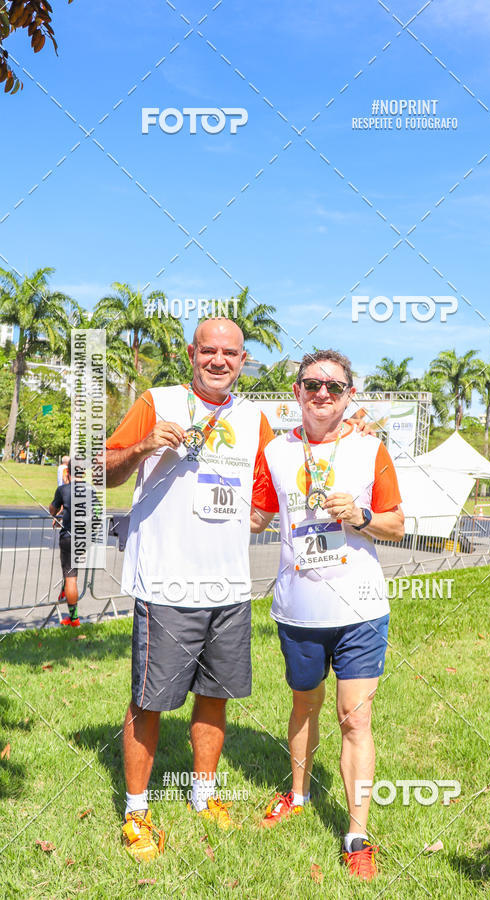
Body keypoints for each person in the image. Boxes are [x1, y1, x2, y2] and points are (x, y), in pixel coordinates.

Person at [104, 317, 278, 860]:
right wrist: (142, 448)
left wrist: (261, 516)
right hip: (165, 584)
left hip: (228, 587)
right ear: (191, 353)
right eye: (209, 351)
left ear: (243, 360)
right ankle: (136, 813)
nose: (219, 361)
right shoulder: (157, 402)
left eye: (230, 353)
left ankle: (204, 797)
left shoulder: (255, 420)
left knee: (215, 696)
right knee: (150, 701)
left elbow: (269, 492)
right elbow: (102, 470)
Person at [250, 349, 404, 881]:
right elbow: (256, 516)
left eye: (334, 387)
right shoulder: (273, 452)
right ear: (296, 391)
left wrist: (361, 516)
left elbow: (397, 525)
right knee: (304, 706)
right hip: (298, 608)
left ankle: (357, 831)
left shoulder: (370, 448)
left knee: (354, 717)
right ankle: (297, 794)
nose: (322, 394)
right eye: (312, 385)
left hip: (360, 607)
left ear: (349, 395)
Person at [48, 459, 80, 626]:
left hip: (68, 537)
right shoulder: (91, 490)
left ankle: (74, 619)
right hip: (83, 538)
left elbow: (52, 509)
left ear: (67, 473)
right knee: (71, 572)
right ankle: (64, 591)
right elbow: (96, 512)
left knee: (71, 577)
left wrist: (56, 515)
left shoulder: (63, 489)